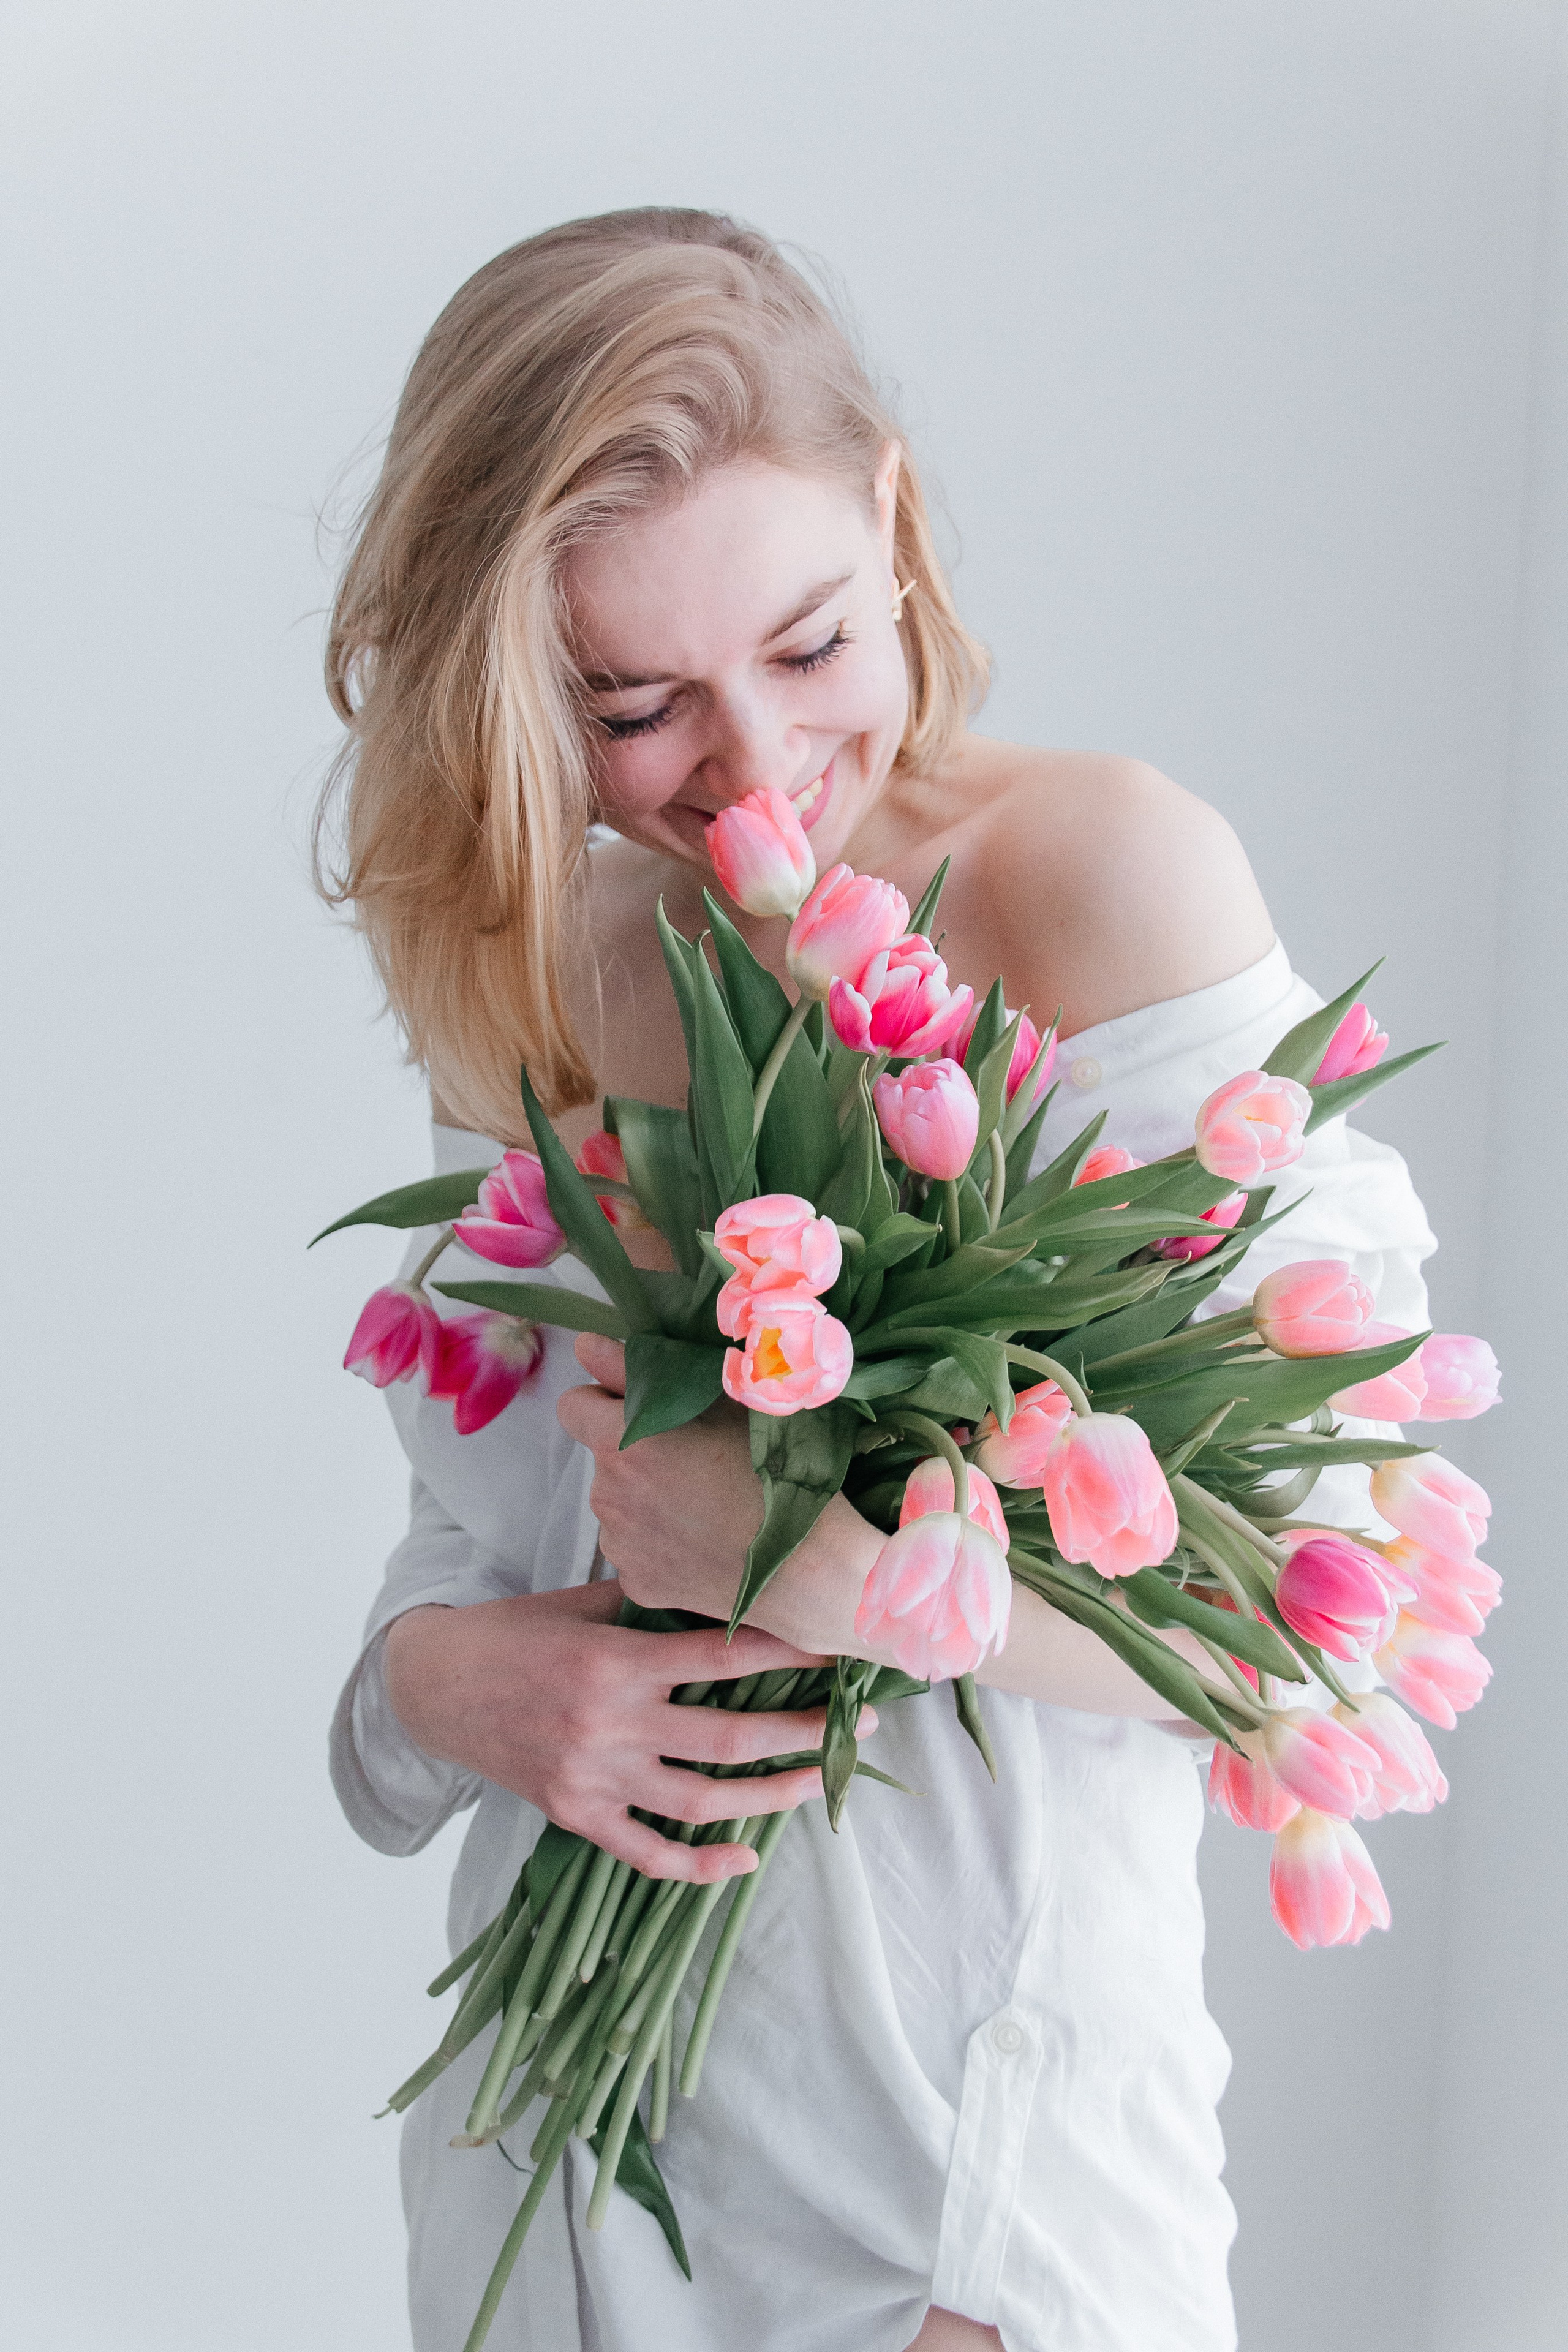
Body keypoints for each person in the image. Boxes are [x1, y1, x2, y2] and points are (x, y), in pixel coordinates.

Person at [322, 208, 1434, 2352]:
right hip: (557, 2187)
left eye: (815, 648)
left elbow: (1329, 1628)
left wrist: (839, 1567)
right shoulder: (540, 972)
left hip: (960, 2218)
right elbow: (452, 1575)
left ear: (894, 520)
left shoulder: (1101, 880)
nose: (754, 774)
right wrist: (443, 1691)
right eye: (636, 708)